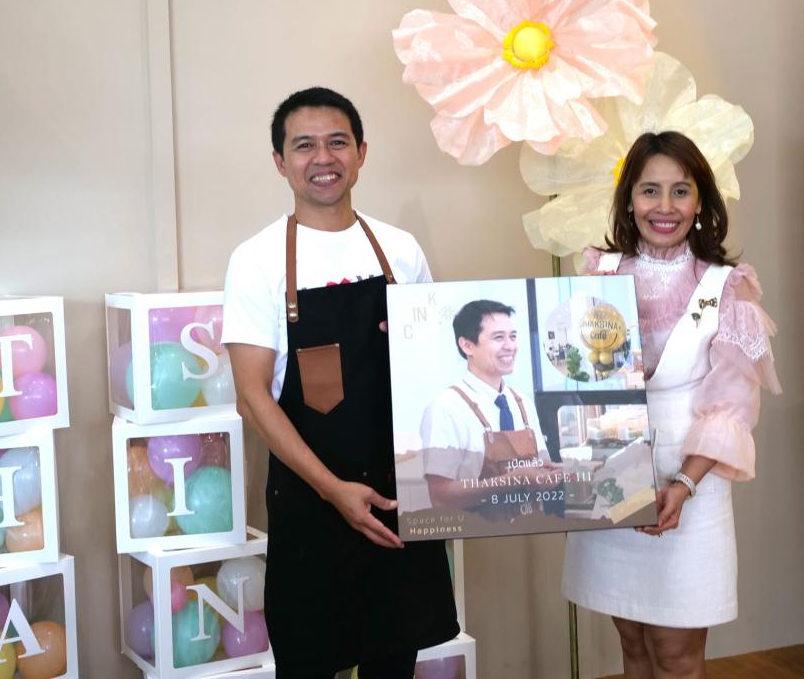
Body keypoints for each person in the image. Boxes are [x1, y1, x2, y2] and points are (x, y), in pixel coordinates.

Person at [222, 87, 458, 679]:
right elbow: (252, 397)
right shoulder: (256, 260)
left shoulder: (400, 250)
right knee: (308, 662)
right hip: (311, 501)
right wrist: (332, 490)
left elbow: (433, 368)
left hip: (398, 497)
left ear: (361, 153)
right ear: (280, 162)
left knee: (394, 662)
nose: (322, 158)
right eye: (304, 146)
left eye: (337, 142)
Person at [562, 131, 781, 679]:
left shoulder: (725, 288)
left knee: (677, 654)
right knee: (633, 643)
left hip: (691, 485)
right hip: (612, 478)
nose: (664, 207)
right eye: (649, 190)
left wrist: (682, 484)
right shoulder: (600, 275)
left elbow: (732, 406)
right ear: (628, 200)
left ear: (701, 201)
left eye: (680, 191)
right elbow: (575, 382)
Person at [418, 299, 555, 518]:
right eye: (498, 337)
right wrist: (515, 479)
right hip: (478, 536)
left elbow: (542, 468)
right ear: (467, 345)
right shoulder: (445, 408)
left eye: (513, 336)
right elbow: (441, 497)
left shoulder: (523, 403)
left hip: (532, 530)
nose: (510, 346)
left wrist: (557, 473)